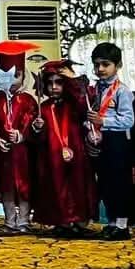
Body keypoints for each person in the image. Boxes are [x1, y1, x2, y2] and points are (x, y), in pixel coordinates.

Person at [30, 60, 95, 236]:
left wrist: (73, 79)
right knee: (56, 187)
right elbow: (37, 139)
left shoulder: (74, 104)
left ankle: (78, 221)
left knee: (77, 186)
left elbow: (86, 102)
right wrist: (37, 128)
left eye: (59, 82)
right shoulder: (42, 108)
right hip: (52, 157)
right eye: (50, 83)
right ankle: (61, 221)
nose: (54, 87)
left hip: (76, 153)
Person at [0, 41, 40, 232]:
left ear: (23, 75)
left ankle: (23, 220)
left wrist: (21, 135)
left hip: (23, 153)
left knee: (25, 186)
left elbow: (32, 122)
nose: (12, 81)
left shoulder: (28, 100)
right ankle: (9, 220)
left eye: (17, 75)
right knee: (6, 187)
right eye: (6, 75)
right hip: (4, 153)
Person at [87, 42, 135, 240]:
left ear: (118, 65)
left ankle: (122, 225)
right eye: (96, 64)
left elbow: (128, 120)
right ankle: (112, 222)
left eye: (105, 64)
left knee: (118, 183)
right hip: (101, 140)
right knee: (105, 182)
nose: (100, 69)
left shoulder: (122, 91)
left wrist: (103, 121)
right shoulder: (95, 89)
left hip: (117, 140)